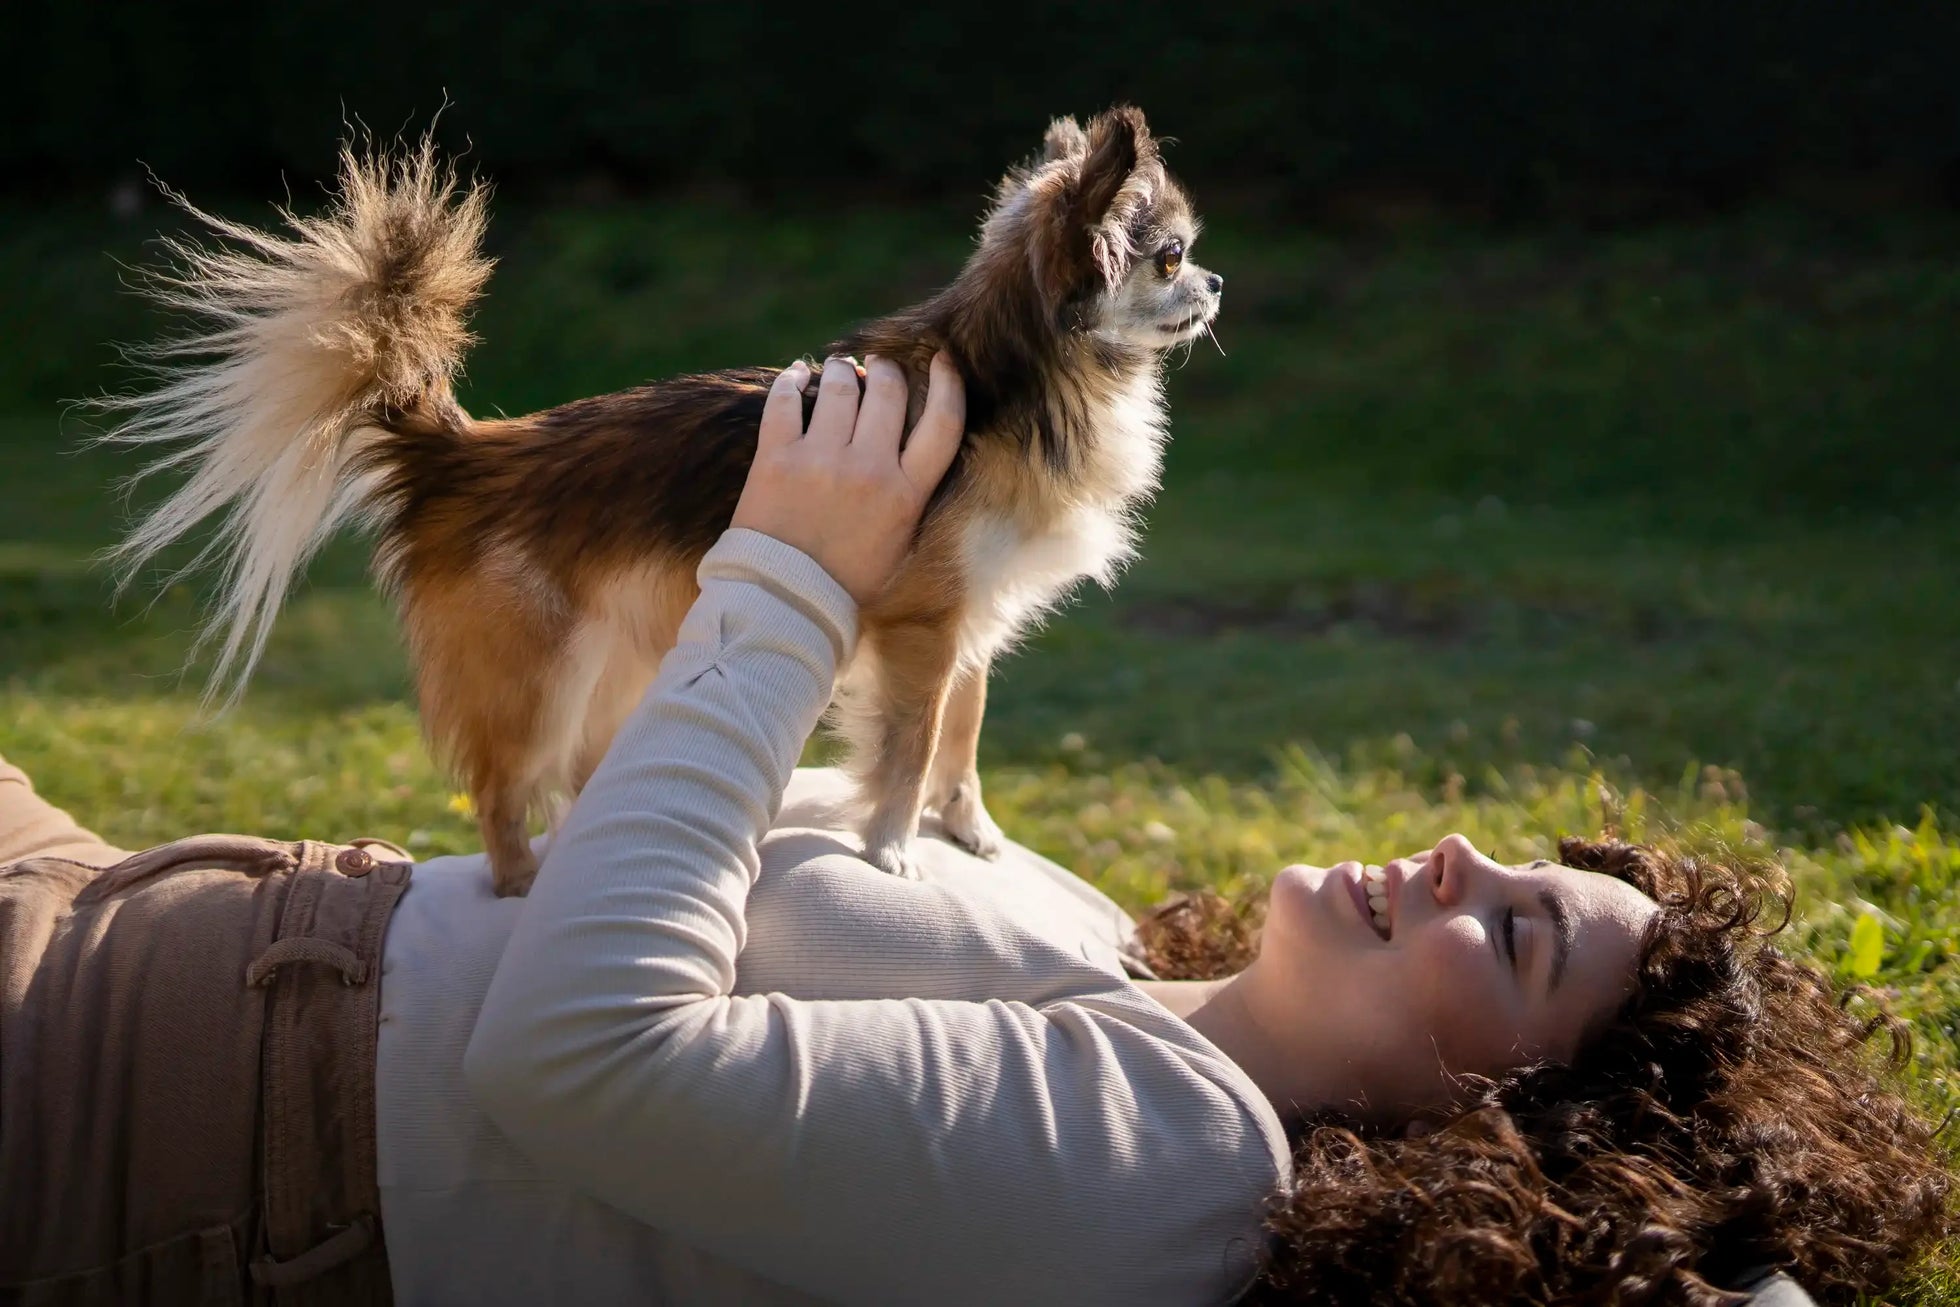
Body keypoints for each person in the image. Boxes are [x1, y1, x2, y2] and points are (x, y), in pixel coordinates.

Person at [1, 354, 1950, 1306]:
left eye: (1507, 939)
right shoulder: (1122, 982)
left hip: (158, 1108)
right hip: (181, 960)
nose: (1450, 861)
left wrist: (780, 584)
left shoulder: (1167, 1178)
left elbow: (578, 1053)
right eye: (1506, 862)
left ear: (1507, 1131)